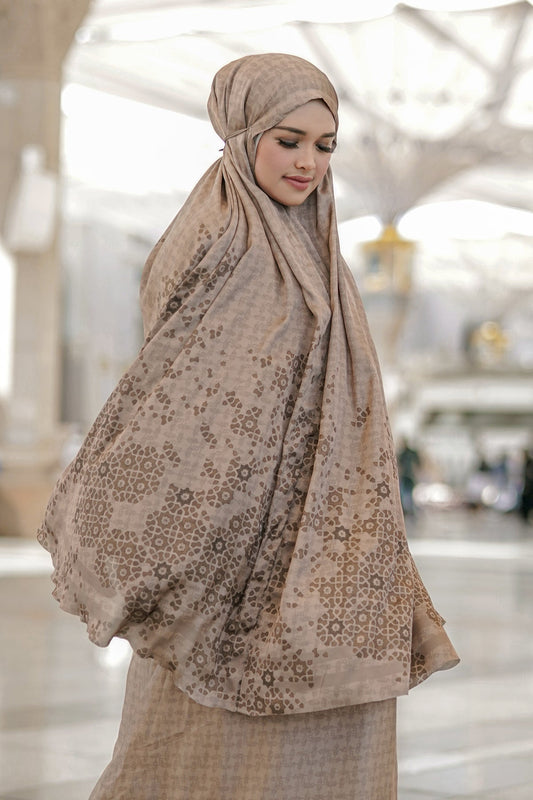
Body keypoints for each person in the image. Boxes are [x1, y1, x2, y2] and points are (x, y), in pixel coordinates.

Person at [37, 53, 459, 800]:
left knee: (319, 728)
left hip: (320, 540)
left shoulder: (313, 248)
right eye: (287, 140)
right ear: (240, 134)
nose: (308, 164)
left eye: (324, 145)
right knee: (197, 742)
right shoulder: (221, 239)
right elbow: (189, 402)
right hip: (226, 546)